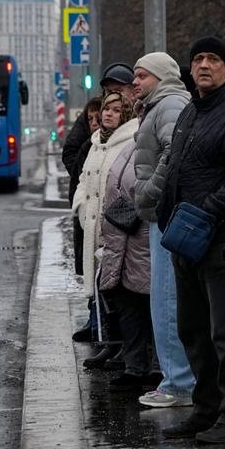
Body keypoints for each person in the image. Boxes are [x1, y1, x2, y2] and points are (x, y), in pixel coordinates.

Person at [156, 36, 225, 444]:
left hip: (224, 241)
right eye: (198, 59)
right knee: (195, 331)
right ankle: (206, 410)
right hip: (187, 242)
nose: (204, 65)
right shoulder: (191, 111)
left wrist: (207, 209)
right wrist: (165, 212)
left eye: (213, 59)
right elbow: (174, 168)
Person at [128, 52, 196, 409]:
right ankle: (179, 379)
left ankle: (179, 383)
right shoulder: (160, 105)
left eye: (142, 75)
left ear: (161, 76)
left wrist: (149, 190)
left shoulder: (169, 104)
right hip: (163, 214)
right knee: (167, 298)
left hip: (166, 215)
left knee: (167, 300)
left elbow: (175, 153)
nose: (135, 82)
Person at [71, 92, 140, 369]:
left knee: (119, 292)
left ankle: (124, 348)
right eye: (105, 109)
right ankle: (109, 344)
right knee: (103, 290)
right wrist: (80, 208)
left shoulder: (129, 143)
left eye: (114, 110)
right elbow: (82, 181)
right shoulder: (96, 143)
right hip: (94, 229)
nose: (107, 114)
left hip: (117, 229)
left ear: (125, 114)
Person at [98, 137, 159, 392]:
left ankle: (157, 367)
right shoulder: (130, 146)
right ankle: (134, 367)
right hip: (121, 238)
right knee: (128, 305)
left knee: (153, 307)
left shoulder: (155, 145)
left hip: (143, 238)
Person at [66, 97, 102, 343]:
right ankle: (95, 323)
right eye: (90, 119)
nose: (94, 123)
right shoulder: (89, 144)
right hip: (88, 216)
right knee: (92, 269)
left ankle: (102, 328)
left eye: (97, 119)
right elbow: (71, 158)